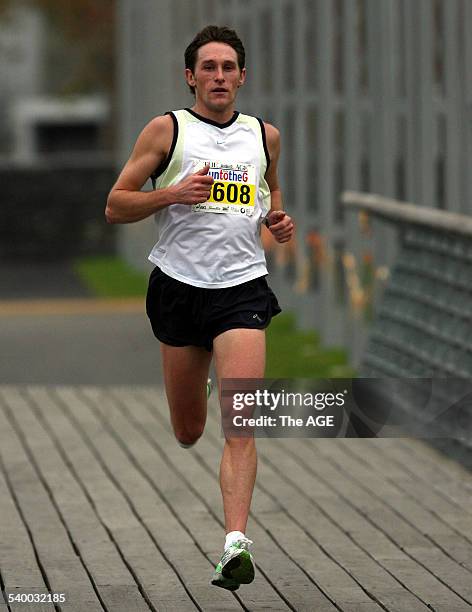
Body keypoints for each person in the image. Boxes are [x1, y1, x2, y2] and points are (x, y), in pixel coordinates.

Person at [106, 24, 294, 591]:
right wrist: (172, 193)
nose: (219, 77)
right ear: (191, 77)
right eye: (208, 68)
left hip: (242, 289)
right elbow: (116, 205)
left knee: (243, 421)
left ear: (242, 76)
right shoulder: (167, 130)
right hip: (180, 287)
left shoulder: (265, 136)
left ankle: (235, 542)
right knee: (189, 430)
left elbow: (271, 191)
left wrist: (275, 219)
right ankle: (198, 393)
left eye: (228, 67)